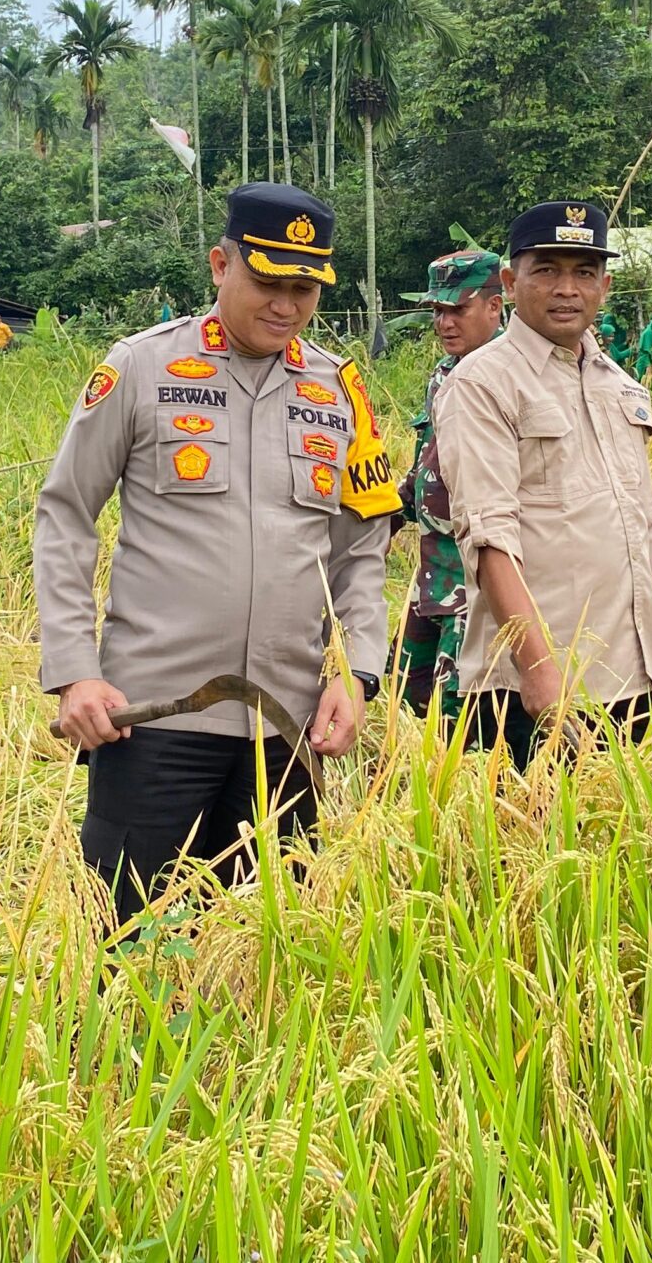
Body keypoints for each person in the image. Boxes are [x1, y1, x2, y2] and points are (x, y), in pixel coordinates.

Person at [35, 183, 399, 928]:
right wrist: (73, 671)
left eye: (305, 289)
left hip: (287, 726)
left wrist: (356, 674)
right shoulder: (141, 368)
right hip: (155, 719)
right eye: (268, 282)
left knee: (266, 950)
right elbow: (66, 511)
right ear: (219, 264)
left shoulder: (339, 391)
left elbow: (361, 550)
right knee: (129, 946)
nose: (287, 305)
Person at [434, 202, 652, 768]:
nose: (566, 288)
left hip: (637, 675)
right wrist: (538, 669)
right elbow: (488, 536)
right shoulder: (483, 384)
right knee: (545, 850)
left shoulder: (618, 384)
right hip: (539, 686)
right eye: (546, 270)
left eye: (583, 272)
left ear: (605, 285)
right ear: (510, 281)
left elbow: (645, 532)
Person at [391, 247, 506, 715]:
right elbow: (428, 466)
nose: (444, 323)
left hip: (478, 579)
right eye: (438, 311)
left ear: (494, 305)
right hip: (433, 572)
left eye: (457, 309)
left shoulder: (511, 374)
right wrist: (384, 517)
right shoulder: (444, 375)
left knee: (461, 716)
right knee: (406, 693)